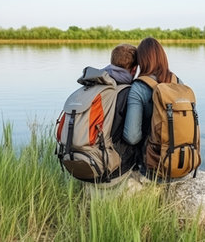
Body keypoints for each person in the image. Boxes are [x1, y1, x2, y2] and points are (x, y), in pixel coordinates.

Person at [77, 43, 138, 182]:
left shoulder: (92, 83)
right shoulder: (127, 92)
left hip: (77, 159)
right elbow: (132, 137)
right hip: (106, 168)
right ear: (134, 70)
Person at [123, 37, 181, 175]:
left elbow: (132, 137)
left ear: (141, 60)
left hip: (153, 165)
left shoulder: (139, 87)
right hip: (182, 160)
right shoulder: (178, 81)